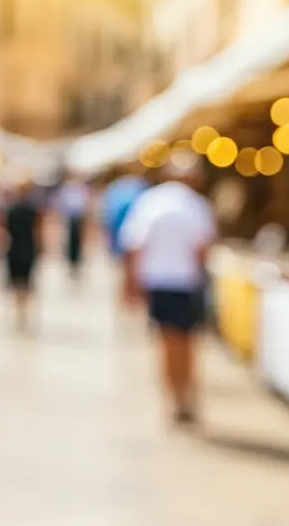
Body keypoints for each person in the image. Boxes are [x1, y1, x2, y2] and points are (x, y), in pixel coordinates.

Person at [119, 151, 216, 424]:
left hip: (158, 280)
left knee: (165, 341)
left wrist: (131, 284)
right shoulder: (197, 205)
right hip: (186, 281)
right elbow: (203, 248)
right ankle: (185, 396)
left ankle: (172, 397)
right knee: (187, 342)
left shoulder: (151, 202)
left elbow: (134, 245)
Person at [99, 169, 149, 302]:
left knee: (125, 273)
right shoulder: (140, 187)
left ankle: (126, 301)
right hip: (133, 238)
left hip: (123, 237)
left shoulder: (115, 188)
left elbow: (108, 217)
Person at [4, 180, 43, 331]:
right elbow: (38, 230)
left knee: (17, 281)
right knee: (26, 280)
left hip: (15, 248)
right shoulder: (32, 210)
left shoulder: (11, 209)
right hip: (28, 248)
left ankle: (19, 308)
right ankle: (24, 308)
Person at [52, 173, 91, 277]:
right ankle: (71, 262)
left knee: (78, 241)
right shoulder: (67, 190)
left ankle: (77, 261)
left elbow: (84, 204)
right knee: (70, 241)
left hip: (77, 218)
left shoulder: (81, 189)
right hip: (69, 218)